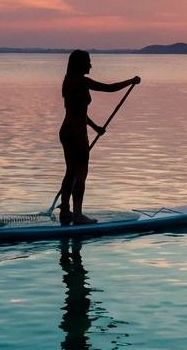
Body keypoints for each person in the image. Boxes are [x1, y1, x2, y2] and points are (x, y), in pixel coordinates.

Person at [59, 50, 139, 224]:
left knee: (70, 171)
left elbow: (78, 111)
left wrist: (95, 127)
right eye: (88, 61)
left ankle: (65, 210)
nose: (90, 65)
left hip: (65, 130)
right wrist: (131, 81)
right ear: (79, 64)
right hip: (77, 133)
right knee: (81, 174)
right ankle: (78, 215)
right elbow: (110, 88)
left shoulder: (68, 81)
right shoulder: (82, 81)